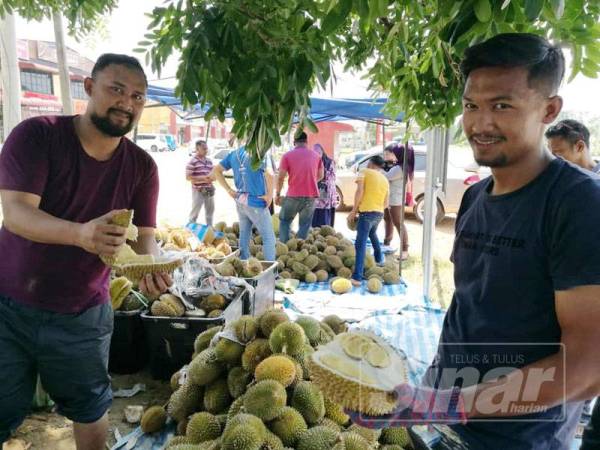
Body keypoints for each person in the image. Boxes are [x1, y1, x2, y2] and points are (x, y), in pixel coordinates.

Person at [348, 33, 600, 450]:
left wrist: (451, 403)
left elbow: (588, 368)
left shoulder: (578, 204)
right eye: (471, 106)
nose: (480, 124)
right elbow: (470, 303)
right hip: (443, 424)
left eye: (502, 105)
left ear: (549, 110)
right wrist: (430, 393)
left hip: (517, 439)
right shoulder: (474, 196)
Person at [0, 54, 171, 450]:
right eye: (116, 89)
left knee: (91, 411)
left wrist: (156, 270)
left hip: (83, 314)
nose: (127, 103)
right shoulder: (37, 135)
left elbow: (145, 239)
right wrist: (81, 234)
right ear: (90, 88)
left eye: (138, 97)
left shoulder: (142, 167)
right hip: (8, 307)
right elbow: (17, 214)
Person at [545, 119, 600, 449]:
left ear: (580, 146)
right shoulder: (558, 189)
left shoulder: (591, 193)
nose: (556, 163)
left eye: (561, 154)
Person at [205, 145, 276, 261]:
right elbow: (270, 174)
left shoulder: (235, 153)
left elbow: (216, 170)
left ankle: (243, 264)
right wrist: (269, 196)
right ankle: (271, 274)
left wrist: (228, 189)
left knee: (244, 234)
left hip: (240, 201)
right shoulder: (260, 151)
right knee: (268, 238)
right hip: (256, 202)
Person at [348, 155, 389, 287]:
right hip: (379, 213)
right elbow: (386, 203)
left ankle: (357, 277)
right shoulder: (384, 179)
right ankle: (379, 259)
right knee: (372, 234)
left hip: (366, 213)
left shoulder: (364, 172)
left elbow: (359, 191)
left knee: (360, 244)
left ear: (370, 163)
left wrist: (353, 211)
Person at [275, 132, 324, 242]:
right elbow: (321, 175)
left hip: (293, 196)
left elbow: (280, 178)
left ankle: (285, 248)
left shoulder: (287, 156)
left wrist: (277, 194)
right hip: (311, 196)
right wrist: (309, 181)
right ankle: (299, 247)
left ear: (294, 142)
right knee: (304, 225)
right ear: (307, 142)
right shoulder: (317, 156)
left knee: (285, 221)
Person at [382, 144, 412, 260]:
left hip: (396, 200)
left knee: (398, 223)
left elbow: (384, 177)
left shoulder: (399, 168)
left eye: (389, 154)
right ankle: (387, 242)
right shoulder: (397, 166)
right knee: (388, 219)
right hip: (390, 198)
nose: (386, 156)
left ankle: (405, 250)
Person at [186, 139, 215, 225]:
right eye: (204, 149)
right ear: (197, 149)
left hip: (209, 189)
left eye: (206, 148)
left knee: (210, 211)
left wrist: (213, 177)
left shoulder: (209, 161)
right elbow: (188, 177)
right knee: (195, 211)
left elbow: (213, 173)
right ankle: (190, 228)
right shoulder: (192, 161)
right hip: (198, 190)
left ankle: (210, 228)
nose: (206, 150)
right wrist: (203, 178)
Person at [312, 143, 338, 227]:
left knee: (323, 218)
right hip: (319, 193)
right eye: (315, 153)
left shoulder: (329, 162)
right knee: (316, 215)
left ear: (322, 152)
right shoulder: (313, 162)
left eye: (318, 153)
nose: (317, 155)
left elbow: (330, 179)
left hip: (326, 192)